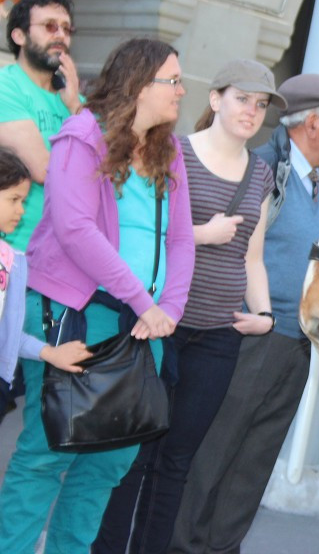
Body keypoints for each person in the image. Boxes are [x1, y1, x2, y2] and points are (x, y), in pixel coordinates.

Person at [0, 38, 196, 553]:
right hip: (79, 314)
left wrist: (169, 309)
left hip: (144, 324)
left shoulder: (168, 149)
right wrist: (144, 301)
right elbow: (75, 228)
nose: (181, 90)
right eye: (172, 80)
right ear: (138, 83)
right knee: (48, 452)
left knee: (109, 460)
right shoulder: (81, 135)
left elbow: (180, 238)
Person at [93, 60, 284, 554]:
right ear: (216, 99)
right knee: (133, 454)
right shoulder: (174, 152)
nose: (252, 111)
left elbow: (254, 258)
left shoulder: (260, 174)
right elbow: (143, 229)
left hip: (218, 335)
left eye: (261, 105)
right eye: (243, 98)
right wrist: (202, 234)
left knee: (178, 461)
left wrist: (263, 315)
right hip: (160, 324)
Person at [169, 72, 319, 554]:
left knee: (254, 461)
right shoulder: (264, 170)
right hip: (251, 337)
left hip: (296, 343)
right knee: (215, 453)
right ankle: (182, 545)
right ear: (311, 124)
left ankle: (220, 548)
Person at [0, 0, 82, 422]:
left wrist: (73, 106)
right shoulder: (5, 88)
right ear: (18, 34)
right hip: (12, 262)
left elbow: (102, 176)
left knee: (36, 410)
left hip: (56, 269)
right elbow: (47, 170)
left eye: (67, 29)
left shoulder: (69, 101)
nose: (61, 37)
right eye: (50, 26)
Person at [0, 146, 91, 401]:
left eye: (24, 201)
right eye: (14, 199)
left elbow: (7, 336)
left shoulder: (12, 262)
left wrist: (51, 354)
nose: (22, 211)